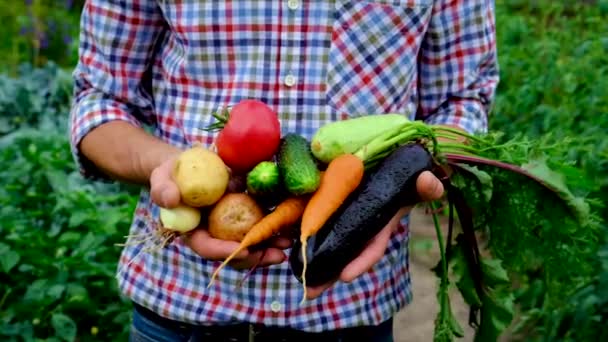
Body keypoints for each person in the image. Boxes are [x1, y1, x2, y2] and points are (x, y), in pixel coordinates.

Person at [69, 0, 498, 341]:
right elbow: (100, 97)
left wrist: (394, 191)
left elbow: (463, 101)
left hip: (351, 318)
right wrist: (170, 170)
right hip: (177, 312)